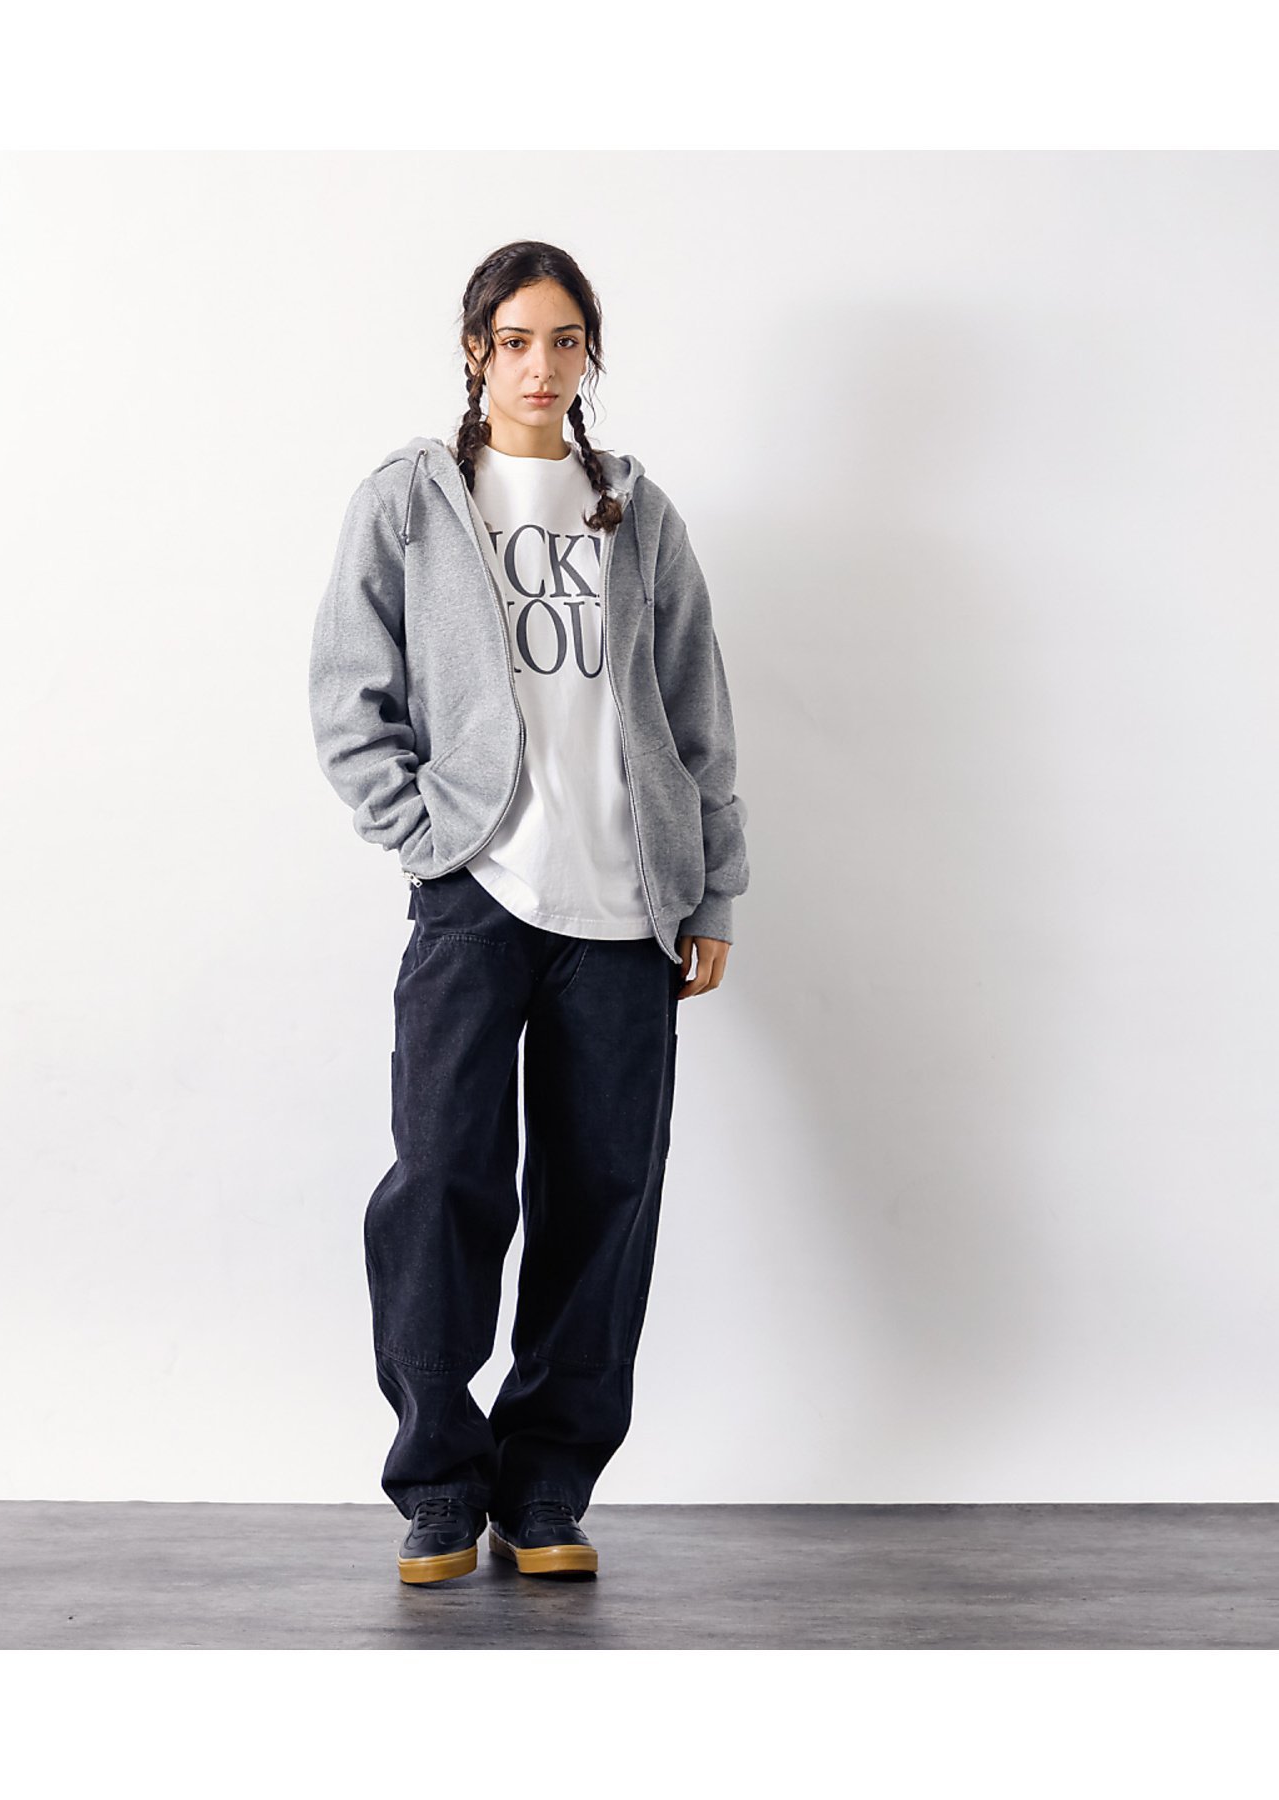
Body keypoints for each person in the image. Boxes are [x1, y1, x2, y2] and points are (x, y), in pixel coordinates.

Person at [308, 240, 749, 1585]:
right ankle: (441, 1483)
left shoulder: (638, 514)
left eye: (564, 342)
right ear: (475, 352)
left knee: (603, 1199)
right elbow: (349, 696)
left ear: (588, 355)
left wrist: (712, 886)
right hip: (476, 899)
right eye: (515, 342)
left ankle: (547, 1487)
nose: (540, 367)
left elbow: (696, 713)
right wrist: (425, 838)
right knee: (441, 1184)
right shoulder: (412, 501)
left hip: (625, 912)